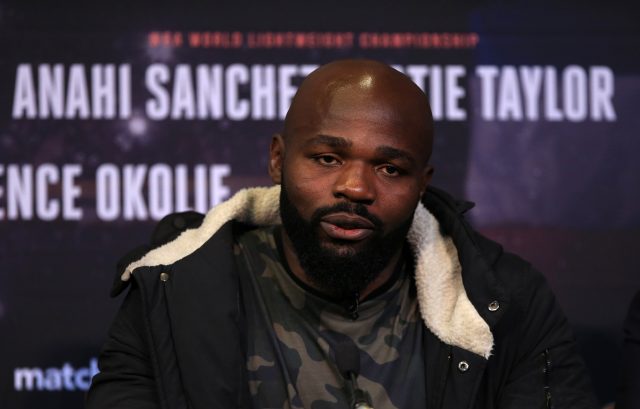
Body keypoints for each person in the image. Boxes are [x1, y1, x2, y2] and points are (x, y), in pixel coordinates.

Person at [86, 59, 597, 409]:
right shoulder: (173, 290)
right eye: (327, 158)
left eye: (391, 168)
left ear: (424, 184)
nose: (355, 187)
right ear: (278, 160)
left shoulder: (506, 303)